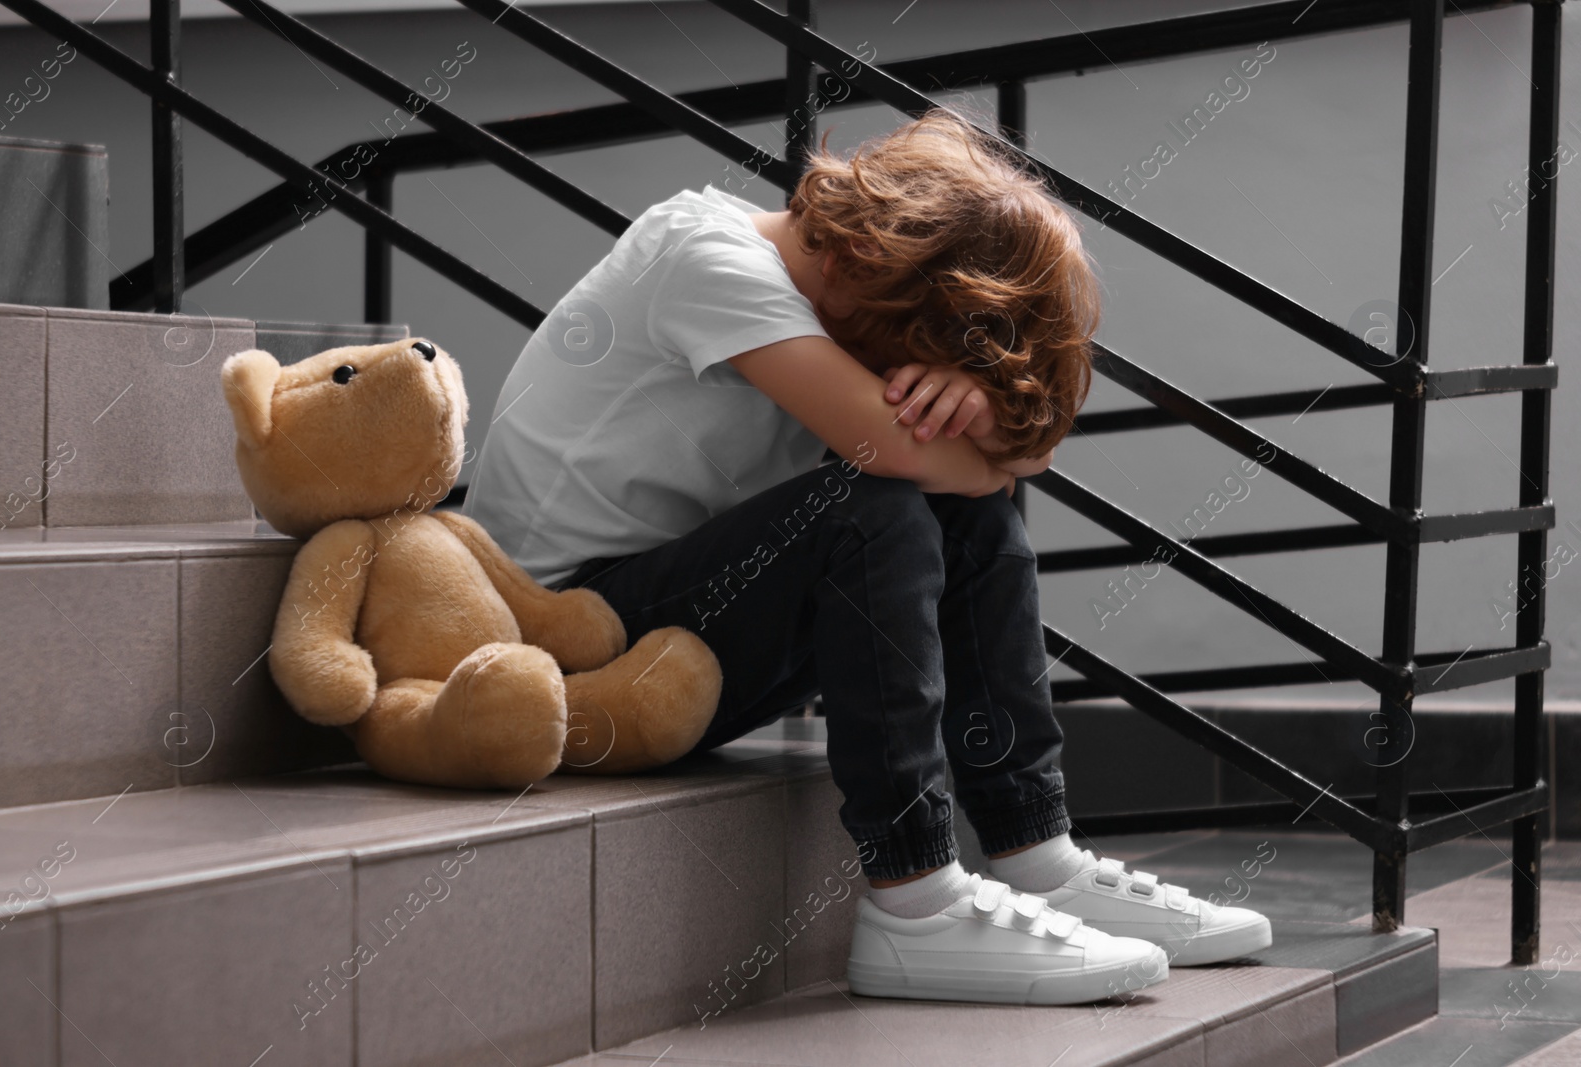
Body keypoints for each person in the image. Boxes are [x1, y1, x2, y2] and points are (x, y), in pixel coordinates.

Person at [465, 109, 1270, 1006]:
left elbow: (999, 471)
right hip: (565, 646)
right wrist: (984, 440)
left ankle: (1037, 853)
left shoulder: (828, 284)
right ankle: (914, 900)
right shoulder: (702, 254)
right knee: (873, 501)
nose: (901, 372)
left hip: (675, 646)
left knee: (962, 513)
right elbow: (898, 455)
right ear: (854, 264)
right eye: (908, 348)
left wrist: (980, 406)